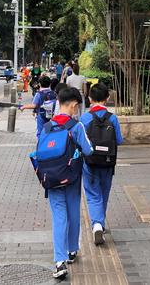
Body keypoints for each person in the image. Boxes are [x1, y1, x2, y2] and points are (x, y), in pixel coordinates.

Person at [40, 87, 93, 279]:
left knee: (59, 217)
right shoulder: (76, 126)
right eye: (77, 107)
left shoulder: (47, 127)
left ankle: (59, 261)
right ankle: (72, 250)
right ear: (73, 105)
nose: (77, 110)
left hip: (52, 179)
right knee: (73, 213)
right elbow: (88, 151)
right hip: (71, 178)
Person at [80, 83, 123, 246]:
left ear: (90, 99)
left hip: (89, 162)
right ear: (108, 98)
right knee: (104, 192)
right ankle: (100, 224)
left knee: (93, 194)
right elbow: (119, 140)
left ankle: (97, 225)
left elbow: (80, 141)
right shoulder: (113, 118)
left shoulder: (85, 118)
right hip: (107, 162)